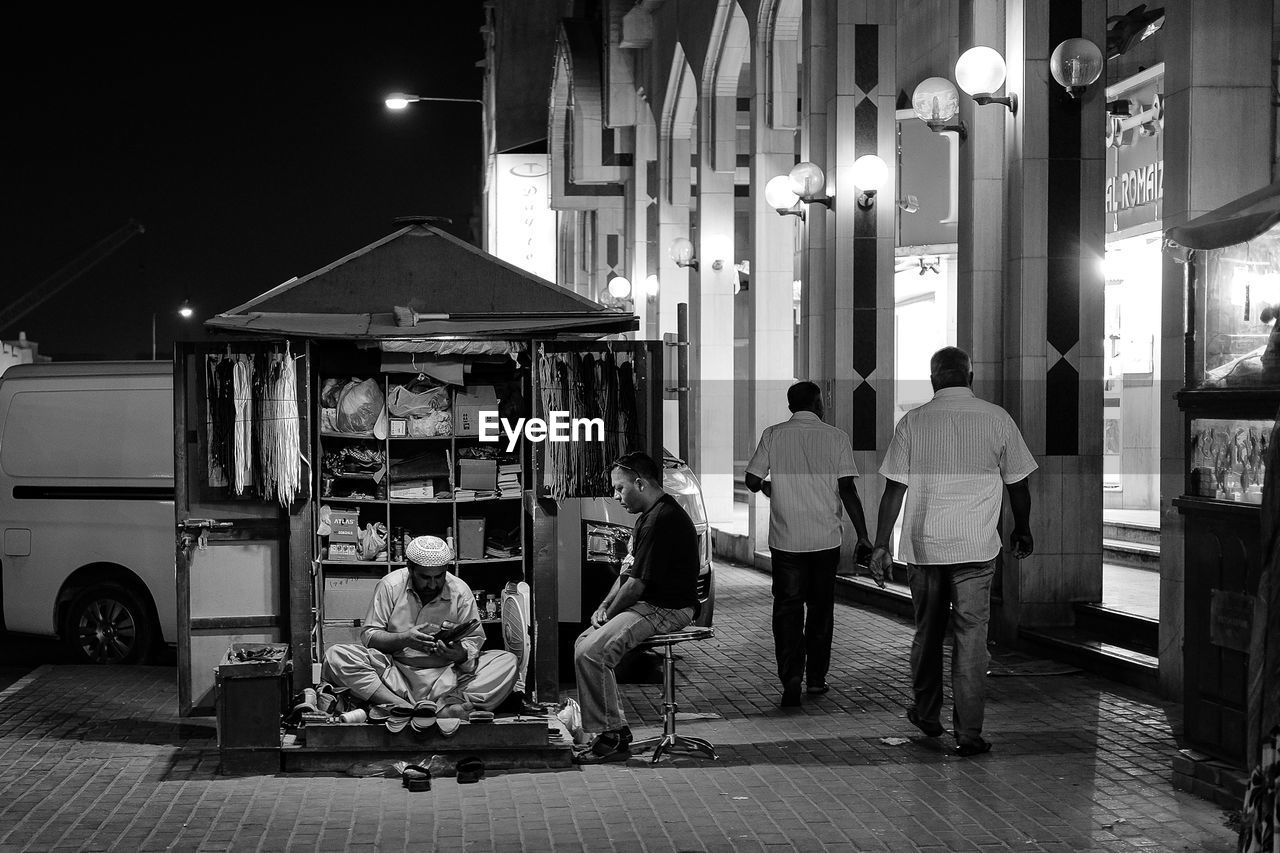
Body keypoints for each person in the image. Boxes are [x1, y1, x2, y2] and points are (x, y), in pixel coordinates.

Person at [870, 346, 1036, 757]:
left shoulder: (913, 422)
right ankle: (969, 733)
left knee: (927, 633)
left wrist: (879, 543)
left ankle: (928, 716)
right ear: (970, 376)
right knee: (971, 637)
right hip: (976, 548)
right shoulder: (997, 419)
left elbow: (895, 488)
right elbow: (1018, 483)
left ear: (933, 379)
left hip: (925, 548)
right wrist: (1023, 529)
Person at [745, 381, 872, 708]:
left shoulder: (773, 435)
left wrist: (771, 488)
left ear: (791, 407)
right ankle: (816, 679)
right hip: (825, 540)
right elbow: (847, 490)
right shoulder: (836, 437)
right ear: (818, 404)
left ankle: (790, 676)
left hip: (786, 541)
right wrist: (864, 535)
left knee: (787, 609)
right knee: (820, 609)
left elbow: (752, 480)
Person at [572, 451, 701, 764]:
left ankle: (611, 737)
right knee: (581, 644)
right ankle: (614, 728)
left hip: (668, 608)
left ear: (640, 484)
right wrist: (603, 608)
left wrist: (610, 614)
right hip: (649, 604)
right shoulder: (647, 517)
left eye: (620, 488)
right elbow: (627, 573)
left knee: (593, 652)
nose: (616, 496)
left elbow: (636, 586)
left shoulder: (662, 519)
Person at [322, 535, 517, 716]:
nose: (432, 585)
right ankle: (403, 706)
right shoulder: (390, 585)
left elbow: (474, 641)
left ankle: (444, 706)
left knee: (507, 661)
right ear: (410, 568)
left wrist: (459, 653)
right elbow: (370, 637)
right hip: (397, 676)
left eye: (439, 577)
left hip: (448, 677)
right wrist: (404, 639)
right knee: (336, 656)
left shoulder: (460, 590)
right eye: (425, 578)